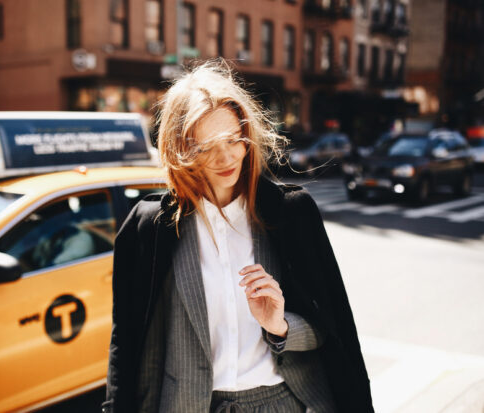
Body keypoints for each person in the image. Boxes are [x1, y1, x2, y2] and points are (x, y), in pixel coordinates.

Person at [102, 61, 373, 413]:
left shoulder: (291, 215)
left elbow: (332, 330)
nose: (227, 156)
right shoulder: (150, 229)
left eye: (234, 139)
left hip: (279, 403)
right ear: (179, 149)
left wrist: (279, 326)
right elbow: (127, 345)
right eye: (207, 146)